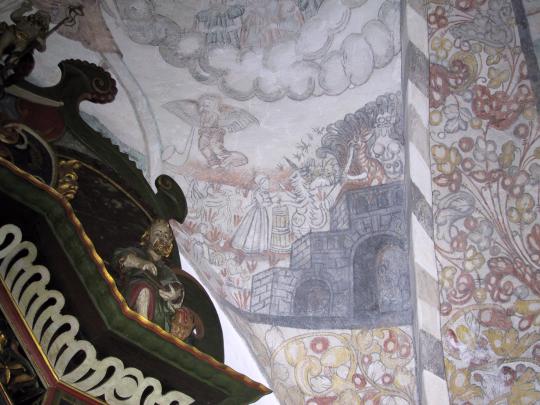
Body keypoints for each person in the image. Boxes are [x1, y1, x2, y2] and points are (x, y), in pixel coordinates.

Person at [114, 219, 185, 332]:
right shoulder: (138, 253)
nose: (162, 238)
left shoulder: (166, 270)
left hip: (158, 316)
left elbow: (177, 287)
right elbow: (120, 257)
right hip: (131, 301)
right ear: (148, 237)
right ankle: (143, 330)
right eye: (158, 234)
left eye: (166, 236)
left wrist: (175, 294)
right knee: (144, 289)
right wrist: (141, 263)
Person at [231, 175, 272, 254]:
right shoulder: (257, 192)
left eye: (268, 183)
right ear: (261, 184)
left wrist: (268, 202)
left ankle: (259, 248)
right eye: (265, 183)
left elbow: (269, 202)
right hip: (256, 212)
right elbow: (262, 203)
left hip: (263, 212)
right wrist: (267, 202)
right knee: (253, 227)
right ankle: (249, 247)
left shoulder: (266, 193)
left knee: (262, 230)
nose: (267, 185)